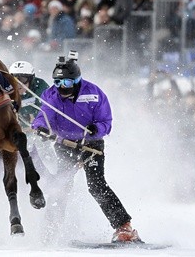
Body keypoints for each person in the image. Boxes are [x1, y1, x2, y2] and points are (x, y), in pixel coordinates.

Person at [31, 51, 142, 243]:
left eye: (66, 83)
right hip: (65, 145)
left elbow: (106, 121)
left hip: (91, 146)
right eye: (57, 83)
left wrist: (95, 129)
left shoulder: (93, 93)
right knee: (61, 185)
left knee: (96, 184)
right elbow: (44, 115)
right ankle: (51, 229)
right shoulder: (51, 95)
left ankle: (124, 227)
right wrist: (40, 127)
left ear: (76, 80)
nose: (61, 88)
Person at [0, 61, 50, 177]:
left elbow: (48, 109)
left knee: (40, 154)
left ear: (31, 80)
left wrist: (40, 124)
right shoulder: (2, 89)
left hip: (33, 134)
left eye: (22, 79)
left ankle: (50, 180)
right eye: (13, 79)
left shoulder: (40, 88)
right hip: (7, 136)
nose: (17, 84)